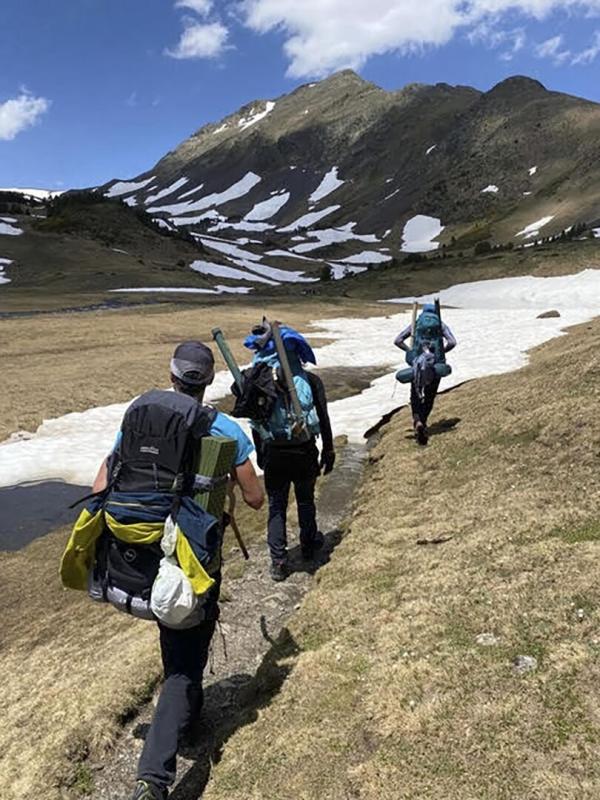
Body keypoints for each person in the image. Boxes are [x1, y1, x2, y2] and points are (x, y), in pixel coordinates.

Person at [91, 341, 264, 800]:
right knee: (184, 662)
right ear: (208, 382)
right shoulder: (224, 426)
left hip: (140, 557)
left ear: (171, 375)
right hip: (191, 561)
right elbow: (255, 498)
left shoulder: (138, 418)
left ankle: (190, 717)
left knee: (178, 642)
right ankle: (154, 778)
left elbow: (101, 484)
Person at [244, 322, 335, 582]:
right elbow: (323, 417)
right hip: (304, 449)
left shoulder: (259, 383)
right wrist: (327, 449)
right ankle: (308, 545)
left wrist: (262, 454)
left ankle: (279, 560)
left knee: (277, 506)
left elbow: (256, 420)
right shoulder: (311, 381)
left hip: (274, 451)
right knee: (305, 499)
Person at [394, 303, 457, 445]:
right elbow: (452, 342)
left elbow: (398, 340)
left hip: (417, 366)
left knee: (415, 395)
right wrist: (442, 351)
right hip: (436, 366)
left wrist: (409, 351)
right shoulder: (441, 325)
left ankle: (417, 421)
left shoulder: (415, 324)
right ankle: (423, 421)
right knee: (430, 395)